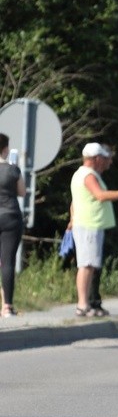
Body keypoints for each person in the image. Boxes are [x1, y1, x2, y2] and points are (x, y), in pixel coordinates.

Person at [70, 143, 118, 317]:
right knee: (86, 265)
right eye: (103, 157)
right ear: (96, 158)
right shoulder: (88, 175)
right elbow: (100, 195)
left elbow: (75, 202)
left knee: (89, 265)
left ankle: (85, 303)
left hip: (89, 224)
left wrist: (72, 218)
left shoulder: (84, 174)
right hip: (88, 225)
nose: (105, 161)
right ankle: (82, 304)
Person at [0, 133, 25, 317]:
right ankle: (7, 306)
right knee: (7, 262)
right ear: (6, 149)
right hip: (10, 216)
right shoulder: (13, 169)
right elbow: (22, 192)